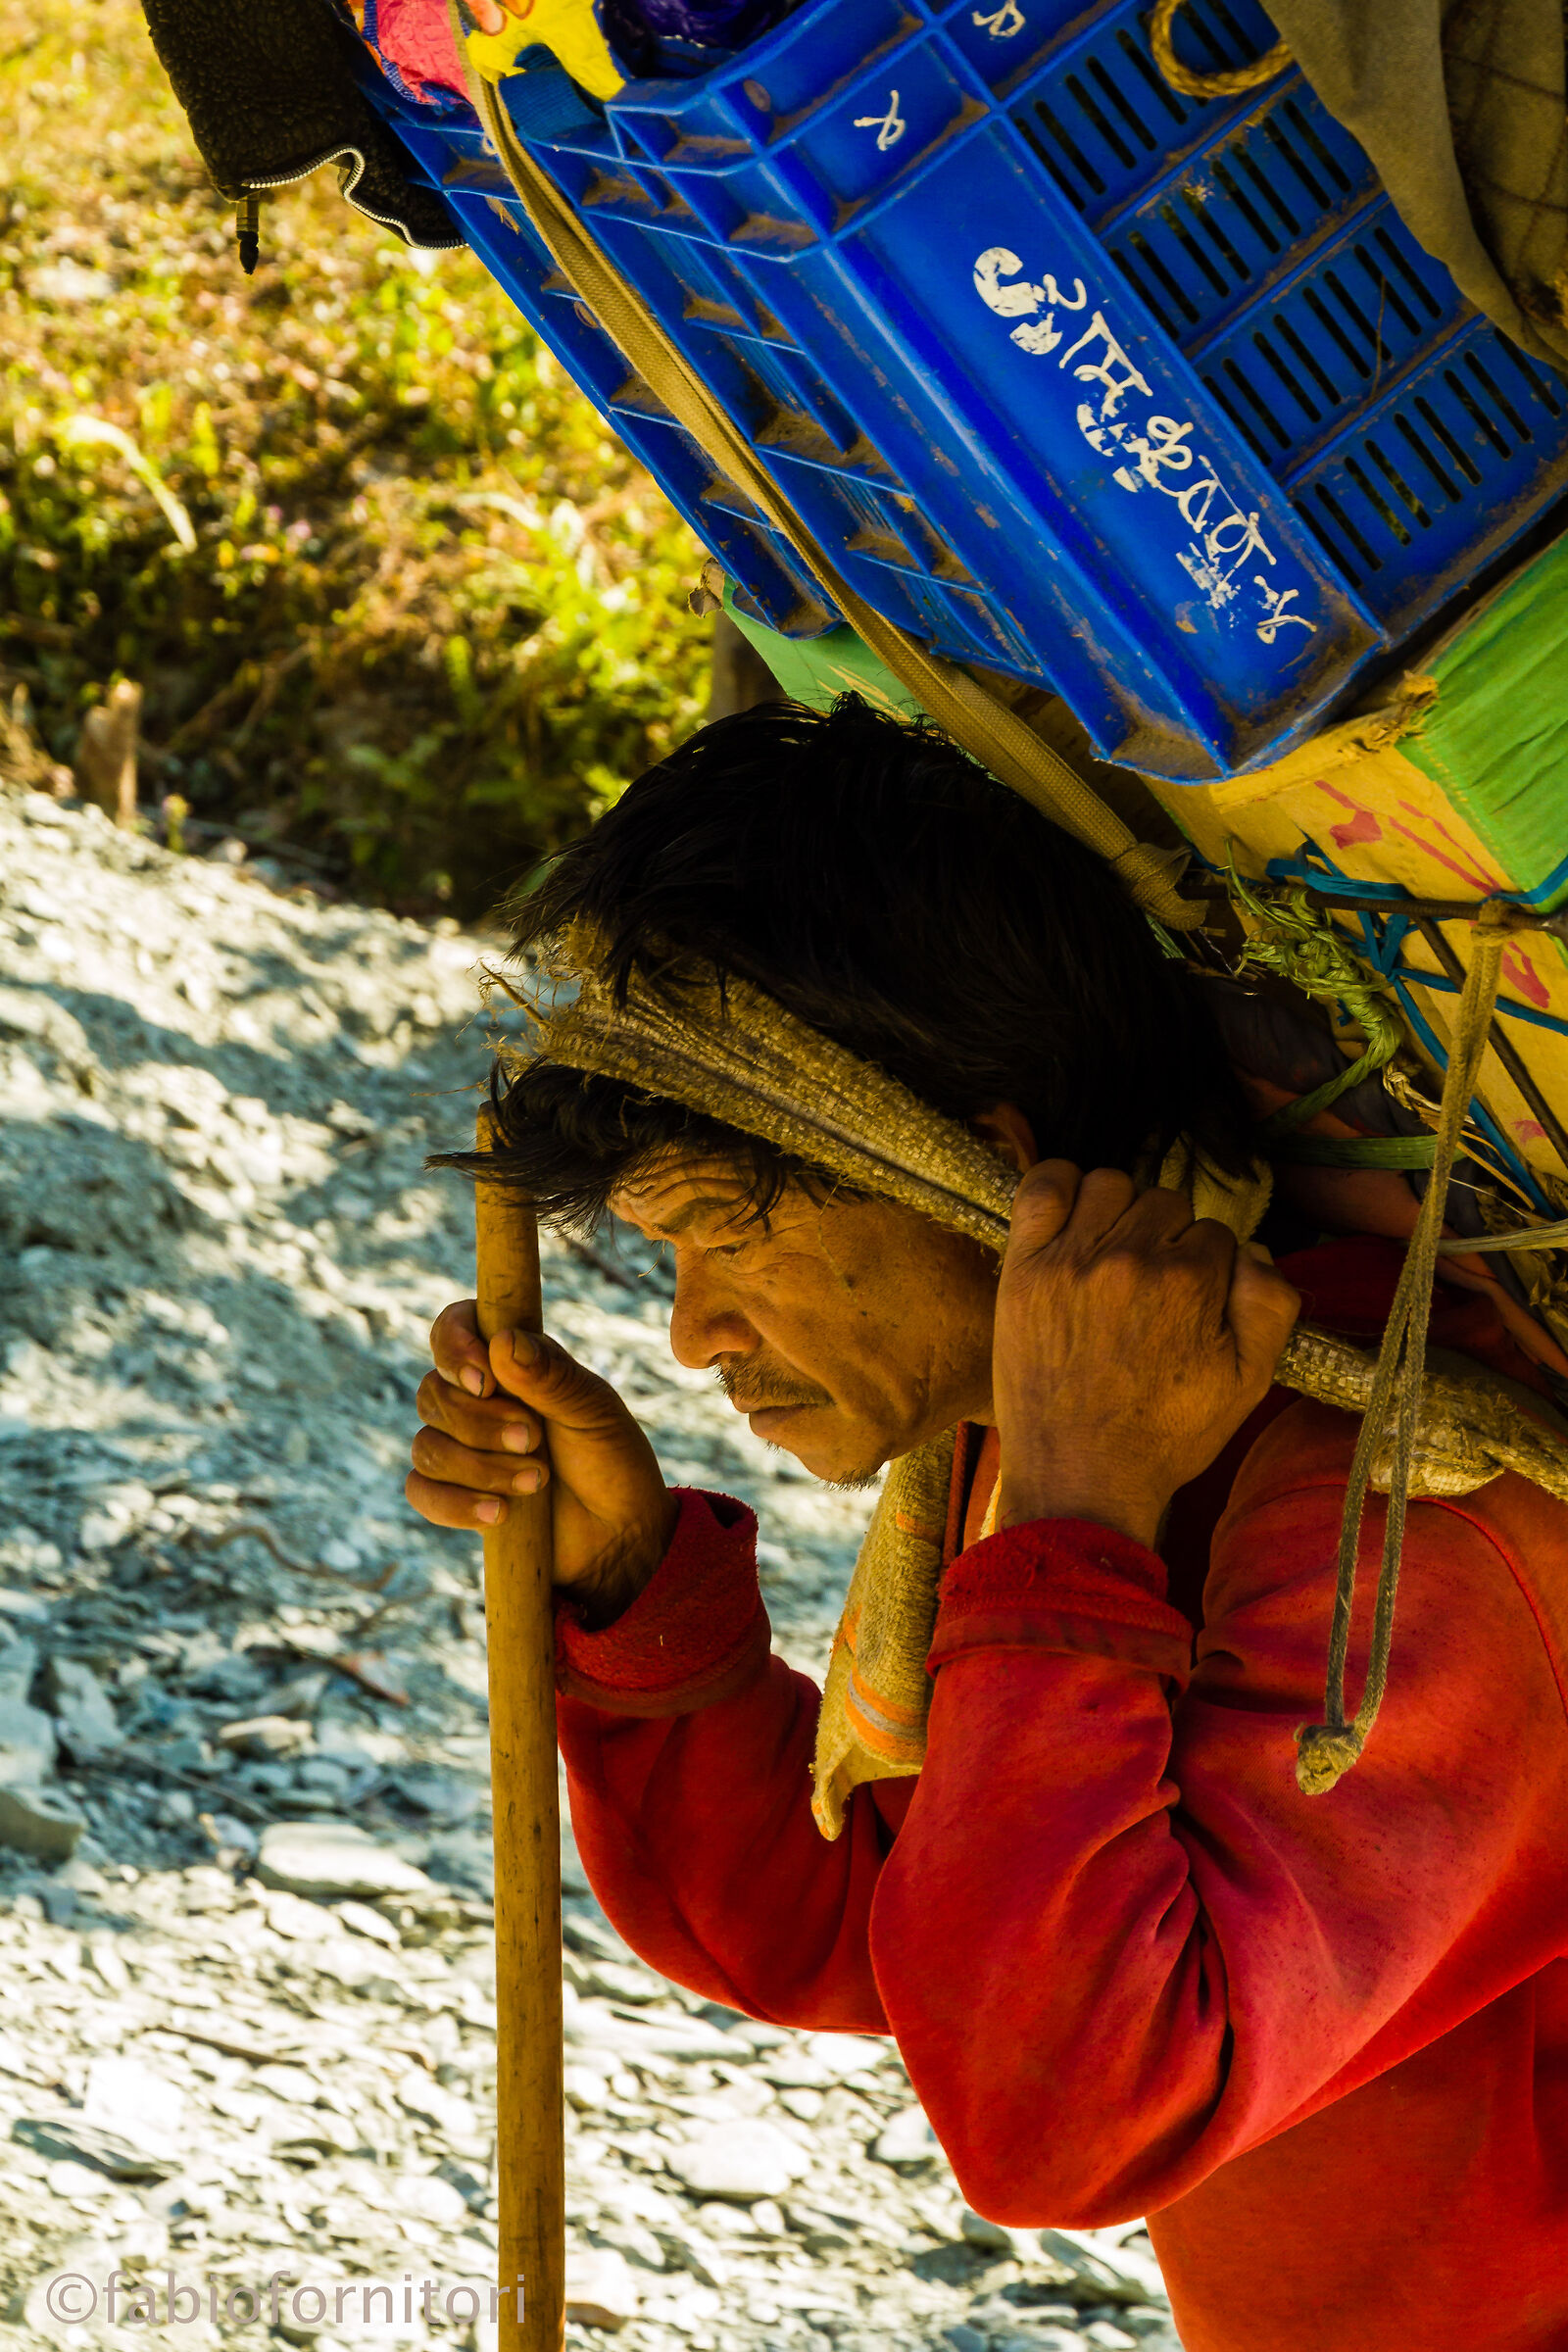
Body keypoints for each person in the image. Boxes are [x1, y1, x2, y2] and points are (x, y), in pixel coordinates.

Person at [407, 697, 1568, 2352]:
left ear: (980, 1169)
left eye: (726, 1237)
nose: (690, 1336)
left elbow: (1069, 2112)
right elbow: (876, 1925)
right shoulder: (1045, 1435)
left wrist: (1082, 1523)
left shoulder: (1409, 1506)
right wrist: (636, 1582)